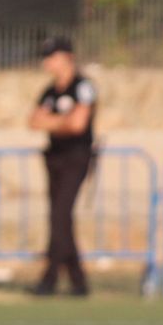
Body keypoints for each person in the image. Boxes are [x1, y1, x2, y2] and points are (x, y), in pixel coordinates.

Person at [27, 36, 96, 296]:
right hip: (54, 158)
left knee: (60, 216)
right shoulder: (49, 91)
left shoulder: (83, 87)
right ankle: (78, 281)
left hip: (76, 158)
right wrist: (62, 122)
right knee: (60, 218)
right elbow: (34, 121)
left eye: (51, 56)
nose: (47, 62)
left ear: (66, 57)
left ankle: (50, 279)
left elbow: (78, 124)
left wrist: (53, 122)